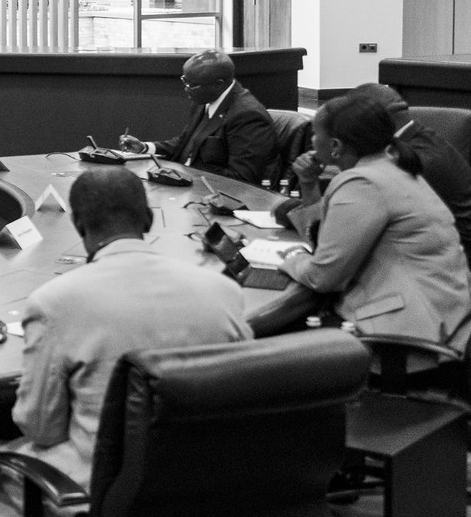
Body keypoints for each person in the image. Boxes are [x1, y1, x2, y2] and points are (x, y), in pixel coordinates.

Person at [0, 166, 249, 517]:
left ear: (79, 225)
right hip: (210, 488)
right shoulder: (223, 292)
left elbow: (40, 428)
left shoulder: (58, 301)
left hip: (106, 499)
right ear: (148, 220)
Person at [252, 94, 471, 376]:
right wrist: (308, 184)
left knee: (263, 360)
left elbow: (323, 277)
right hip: (446, 325)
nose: (311, 142)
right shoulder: (394, 167)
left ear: (335, 146)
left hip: (405, 345)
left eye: (315, 134)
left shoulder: (363, 183)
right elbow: (328, 236)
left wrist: (292, 259)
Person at [279, 82, 471, 261]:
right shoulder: (413, 142)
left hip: (443, 262)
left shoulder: (406, 162)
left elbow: (331, 245)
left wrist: (308, 188)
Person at [118, 50, 276, 186]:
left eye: (192, 85)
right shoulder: (205, 99)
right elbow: (185, 143)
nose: (186, 89)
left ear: (218, 85)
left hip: (213, 191)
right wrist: (144, 148)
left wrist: (187, 174)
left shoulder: (247, 115)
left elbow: (241, 178)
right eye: (184, 81)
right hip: (184, 182)